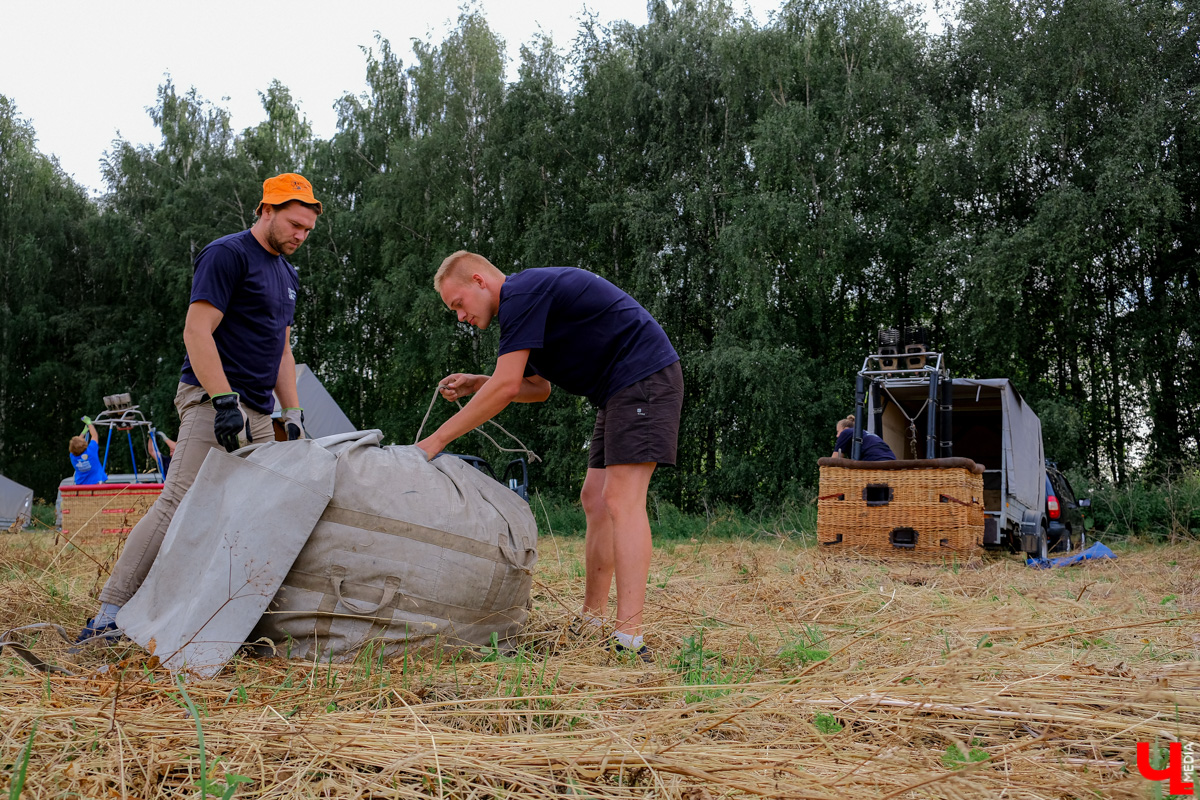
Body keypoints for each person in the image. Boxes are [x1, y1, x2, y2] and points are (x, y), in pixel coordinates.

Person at [76, 173, 320, 643]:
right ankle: (108, 616)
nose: (301, 236)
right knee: (178, 502)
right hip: (214, 401)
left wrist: (292, 413)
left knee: (257, 512)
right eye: (294, 225)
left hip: (260, 412)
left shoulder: (288, 275)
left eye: (307, 230)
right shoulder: (227, 254)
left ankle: (217, 614)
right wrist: (223, 400)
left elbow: (282, 351)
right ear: (266, 210)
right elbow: (196, 331)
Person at [416, 251, 683, 663]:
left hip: (642, 376)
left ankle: (629, 638)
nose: (461, 317)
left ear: (479, 281)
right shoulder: (523, 309)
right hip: (616, 390)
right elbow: (537, 388)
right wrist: (480, 382)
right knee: (595, 499)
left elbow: (507, 387)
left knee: (621, 499)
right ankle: (592, 620)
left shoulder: (522, 292)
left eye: (458, 304)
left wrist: (434, 441)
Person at [831, 414, 896, 461]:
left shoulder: (846, 432)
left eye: (838, 431)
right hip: (892, 461)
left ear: (845, 428)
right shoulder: (865, 434)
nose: (837, 435)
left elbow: (835, 460)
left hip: (876, 462)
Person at [68, 418, 108, 485]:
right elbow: (94, 435)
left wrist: (83, 432)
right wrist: (89, 424)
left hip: (81, 484)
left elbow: (76, 444)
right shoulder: (91, 451)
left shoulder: (73, 456)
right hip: (96, 482)